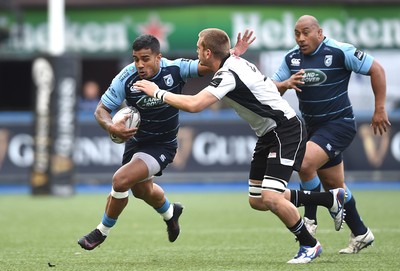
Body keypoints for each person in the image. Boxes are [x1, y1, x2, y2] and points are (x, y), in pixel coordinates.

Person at [134, 28, 347, 264]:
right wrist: (233, 52)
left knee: (271, 197)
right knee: (257, 200)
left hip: (284, 130)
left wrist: (158, 92)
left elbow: (195, 105)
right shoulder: (233, 61)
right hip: (268, 133)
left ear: (207, 52)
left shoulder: (228, 73)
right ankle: (329, 199)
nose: (196, 53)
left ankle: (309, 244)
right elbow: (228, 61)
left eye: (198, 48)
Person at [77, 30, 256, 251]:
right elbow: (101, 110)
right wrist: (111, 126)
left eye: (145, 58)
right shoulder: (126, 77)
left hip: (162, 145)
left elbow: (211, 64)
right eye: (135, 59)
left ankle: (100, 232)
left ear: (158, 57)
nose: (139, 64)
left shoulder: (176, 68)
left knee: (120, 180)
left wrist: (232, 54)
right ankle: (171, 213)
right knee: (142, 191)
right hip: (136, 142)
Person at [271, 15, 391, 254]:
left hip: (339, 124)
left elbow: (377, 69)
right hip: (313, 128)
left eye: (306, 32)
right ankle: (361, 233)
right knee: (335, 186)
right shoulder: (292, 58)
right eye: (297, 33)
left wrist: (379, 108)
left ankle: (310, 220)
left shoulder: (339, 51)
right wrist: (285, 84)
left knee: (304, 164)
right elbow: (271, 88)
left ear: (319, 32)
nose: (301, 38)